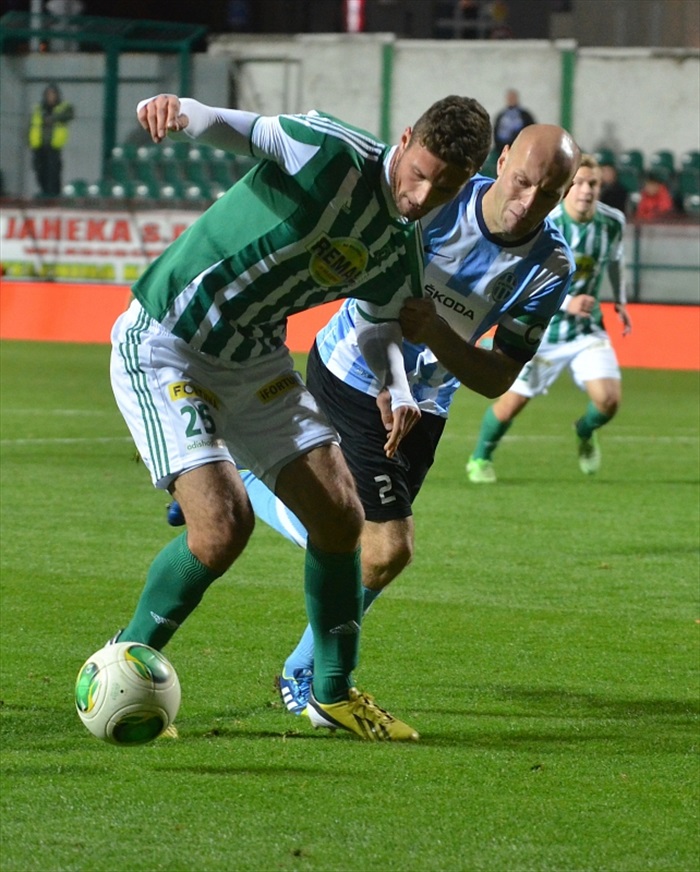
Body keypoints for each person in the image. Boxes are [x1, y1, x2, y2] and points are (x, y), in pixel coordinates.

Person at [106, 91, 492, 743]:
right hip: (168, 340)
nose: (425, 197)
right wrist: (175, 111)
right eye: (421, 174)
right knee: (223, 528)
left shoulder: (401, 248)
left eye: (447, 189)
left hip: (254, 358)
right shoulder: (330, 151)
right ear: (403, 142)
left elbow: (378, 327)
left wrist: (397, 385)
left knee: (342, 516)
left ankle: (330, 695)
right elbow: (237, 129)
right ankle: (123, 663)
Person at [167, 124, 579, 715]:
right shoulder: (440, 202)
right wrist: (396, 381)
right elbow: (367, 301)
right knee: (385, 548)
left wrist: (435, 334)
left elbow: (495, 378)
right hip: (353, 369)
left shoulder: (551, 265)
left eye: (548, 194)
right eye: (523, 182)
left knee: (360, 539)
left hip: (428, 406)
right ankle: (307, 676)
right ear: (503, 158)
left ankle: (238, 480)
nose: (528, 202)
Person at [467, 154, 631, 484]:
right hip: (539, 329)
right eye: (580, 183)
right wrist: (568, 302)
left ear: (600, 187)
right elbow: (524, 276)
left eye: (593, 184)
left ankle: (584, 432)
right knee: (509, 404)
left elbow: (615, 260)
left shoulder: (612, 222)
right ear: (568, 187)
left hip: (586, 330)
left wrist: (622, 301)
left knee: (609, 401)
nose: (586, 190)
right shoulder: (548, 222)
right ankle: (480, 457)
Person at [28, 83, 74, 197]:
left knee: (53, 172)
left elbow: (69, 114)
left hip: (53, 146)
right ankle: (44, 192)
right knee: (39, 171)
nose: (50, 97)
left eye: (53, 94)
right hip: (38, 146)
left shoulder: (64, 107)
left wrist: (53, 118)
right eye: (48, 94)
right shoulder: (38, 108)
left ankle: (53, 195)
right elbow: (31, 125)